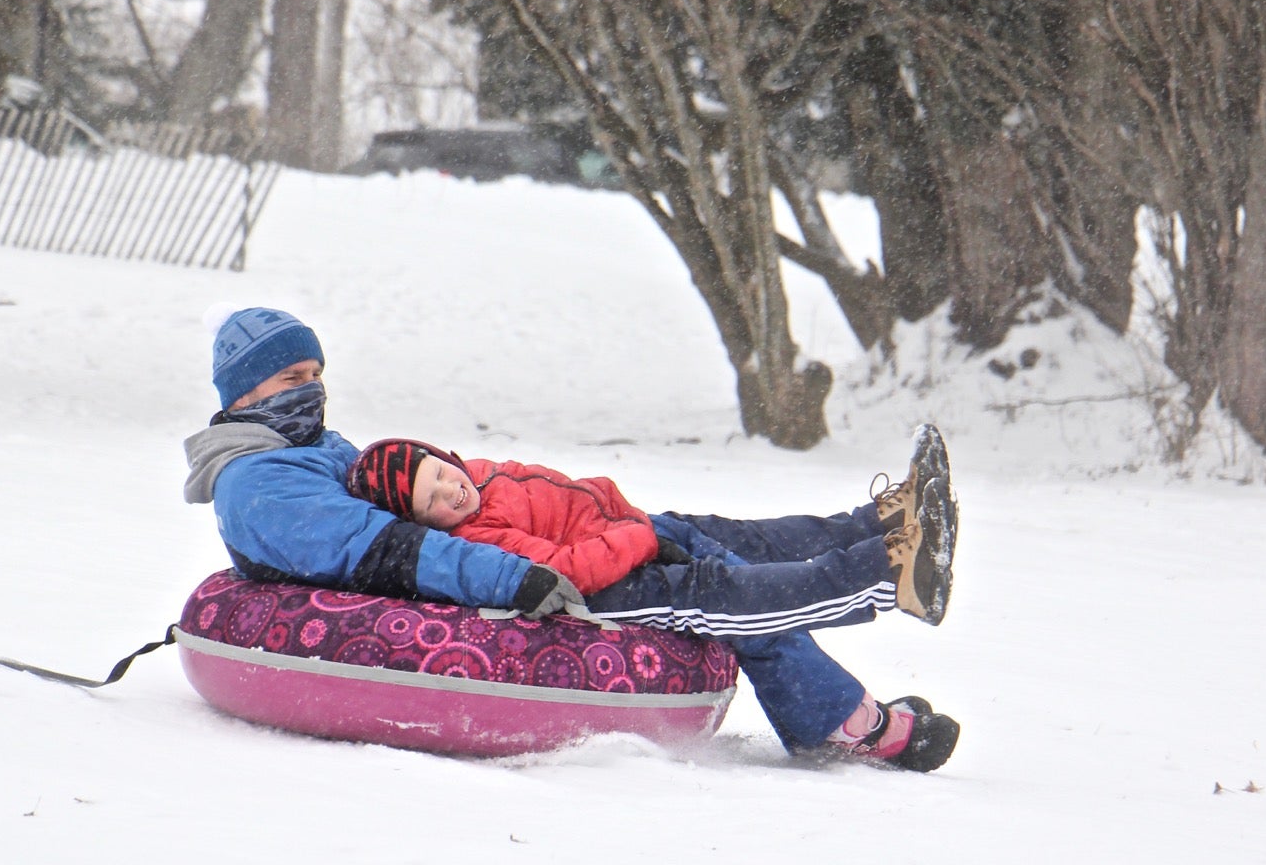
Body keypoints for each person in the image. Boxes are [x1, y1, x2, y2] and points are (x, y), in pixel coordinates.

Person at [182, 306, 962, 772]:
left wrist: (515, 493)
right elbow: (396, 553)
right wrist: (514, 578)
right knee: (712, 592)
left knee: (699, 534)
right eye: (290, 379)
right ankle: (890, 575)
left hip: (515, 537)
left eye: (314, 372)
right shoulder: (262, 484)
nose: (310, 390)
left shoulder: (308, 447)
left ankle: (882, 527)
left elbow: (419, 487)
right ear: (242, 392)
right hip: (521, 579)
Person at [345, 435, 959, 770]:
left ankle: (881, 523)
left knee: (751, 538)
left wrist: (637, 525)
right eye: (433, 500)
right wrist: (641, 540)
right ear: (425, 523)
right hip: (620, 569)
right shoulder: (476, 538)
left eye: (441, 474)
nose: (451, 491)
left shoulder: (476, 474)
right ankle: (888, 580)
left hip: (630, 528)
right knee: (744, 602)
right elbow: (563, 568)